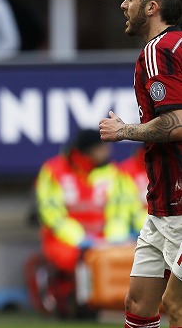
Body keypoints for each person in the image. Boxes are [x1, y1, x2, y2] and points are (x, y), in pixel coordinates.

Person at [53, 0, 182, 328]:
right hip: (162, 207)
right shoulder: (173, 48)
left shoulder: (158, 51)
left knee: (176, 306)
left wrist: (125, 130)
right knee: (139, 304)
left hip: (181, 204)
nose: (123, 5)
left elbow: (177, 121)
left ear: (152, 6)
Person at [33, 128, 131, 317]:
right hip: (63, 238)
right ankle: (76, 302)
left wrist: (113, 240)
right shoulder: (53, 171)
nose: (107, 151)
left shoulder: (114, 173)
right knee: (76, 259)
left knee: (122, 257)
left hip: (104, 238)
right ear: (88, 150)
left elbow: (119, 211)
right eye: (101, 148)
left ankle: (111, 304)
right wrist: (80, 239)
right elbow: (51, 213)